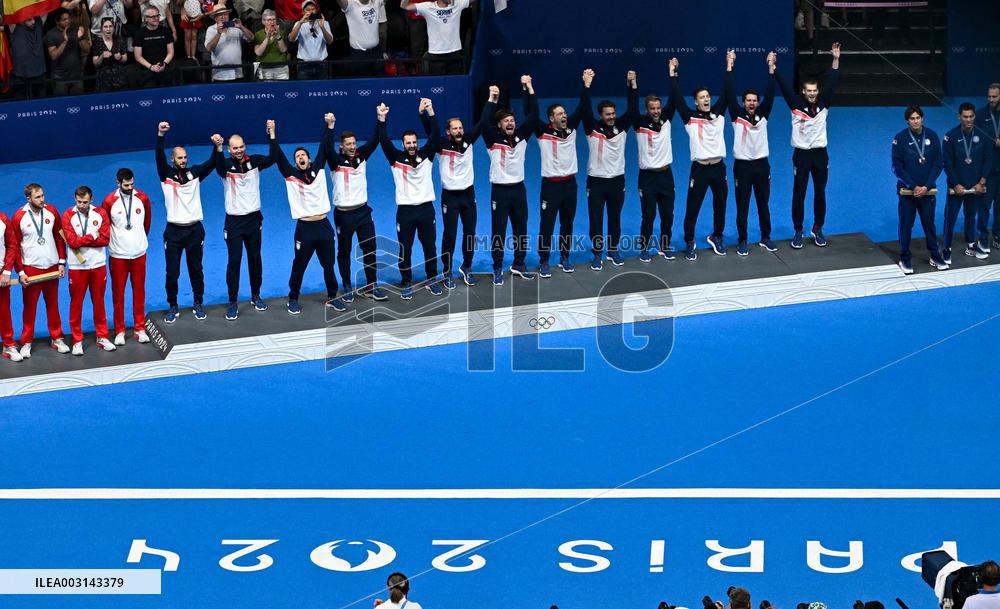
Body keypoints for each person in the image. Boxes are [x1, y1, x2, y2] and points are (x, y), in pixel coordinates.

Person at [268, 117, 348, 314]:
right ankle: (293, 298)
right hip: (304, 229)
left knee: (329, 265)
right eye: (297, 157)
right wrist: (272, 133)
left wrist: (330, 126)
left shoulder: (318, 169)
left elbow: (324, 146)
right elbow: (278, 156)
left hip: (324, 226)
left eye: (303, 155)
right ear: (295, 162)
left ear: (309, 159)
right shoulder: (290, 175)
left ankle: (332, 297)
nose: (300, 158)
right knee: (299, 265)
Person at [420, 89, 495, 286]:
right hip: (450, 197)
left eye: (461, 127)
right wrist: (426, 112)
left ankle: (466, 266)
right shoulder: (441, 145)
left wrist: (491, 99)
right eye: (455, 129)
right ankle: (447, 271)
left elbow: (482, 122)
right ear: (448, 132)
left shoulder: (469, 140)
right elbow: (431, 130)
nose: (459, 131)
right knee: (450, 234)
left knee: (470, 233)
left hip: (469, 195)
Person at [774, 43, 840, 248]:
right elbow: (784, 87)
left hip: (820, 154)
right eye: (808, 91)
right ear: (803, 91)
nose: (812, 93)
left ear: (818, 91)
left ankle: (818, 228)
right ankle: (798, 230)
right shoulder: (795, 103)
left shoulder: (824, 102)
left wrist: (835, 59)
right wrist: (774, 68)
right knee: (799, 193)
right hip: (801, 155)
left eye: (814, 91)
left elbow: (833, 81)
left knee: (820, 192)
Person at [155, 122, 222, 323]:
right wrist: (161, 135)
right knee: (172, 272)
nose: (183, 160)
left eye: (185, 157)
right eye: (179, 158)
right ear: (172, 159)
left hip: (194, 231)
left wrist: (217, 146)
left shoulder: (195, 173)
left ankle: (198, 303)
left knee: (196, 270)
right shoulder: (165, 174)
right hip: (173, 232)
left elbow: (212, 162)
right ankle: (173, 305)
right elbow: (158, 155)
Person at [377, 101, 443, 300]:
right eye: (408, 143)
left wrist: (430, 111)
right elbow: (383, 140)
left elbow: (436, 133)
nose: (412, 145)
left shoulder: (427, 155)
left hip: (426, 209)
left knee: (430, 246)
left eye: (414, 142)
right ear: (403, 144)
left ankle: (432, 279)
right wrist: (382, 118)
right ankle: (406, 281)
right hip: (405, 212)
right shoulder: (395, 158)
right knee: (405, 248)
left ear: (417, 143)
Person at [480, 75, 539, 285]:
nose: (510, 123)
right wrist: (491, 99)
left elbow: (533, 116)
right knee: (499, 230)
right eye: (506, 121)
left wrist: (529, 88)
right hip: (500, 192)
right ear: (499, 125)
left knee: (521, 228)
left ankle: (519, 264)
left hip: (519, 190)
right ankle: (497, 267)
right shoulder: (492, 139)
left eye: (512, 120)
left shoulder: (522, 136)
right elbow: (483, 122)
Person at [669, 56, 729, 260]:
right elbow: (677, 98)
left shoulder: (719, 113)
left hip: (719, 168)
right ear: (696, 102)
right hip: (700, 170)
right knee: (693, 207)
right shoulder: (690, 118)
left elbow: (727, 91)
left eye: (707, 96)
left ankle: (717, 236)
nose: (706, 99)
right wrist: (673, 74)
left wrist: (729, 66)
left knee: (721, 205)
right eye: (702, 97)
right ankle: (689, 241)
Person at [325, 111, 388, 301]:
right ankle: (346, 285)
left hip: (363, 212)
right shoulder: (335, 161)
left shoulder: (362, 156)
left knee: (370, 248)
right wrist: (330, 126)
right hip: (344, 215)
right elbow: (327, 148)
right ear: (342, 146)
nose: (352, 147)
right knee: (344, 251)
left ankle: (371, 285)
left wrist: (381, 119)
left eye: (354, 143)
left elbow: (375, 140)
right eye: (348, 144)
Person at [213, 131, 276, 320]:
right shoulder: (225, 165)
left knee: (255, 259)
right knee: (234, 261)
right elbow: (217, 166)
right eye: (235, 148)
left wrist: (272, 135)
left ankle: (256, 295)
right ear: (229, 149)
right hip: (234, 222)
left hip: (254, 220)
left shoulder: (254, 161)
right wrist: (217, 148)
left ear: (245, 146)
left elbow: (273, 157)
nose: (239, 150)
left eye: (241, 147)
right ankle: (233, 302)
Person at [579, 69, 637, 270]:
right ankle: (597, 253)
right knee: (596, 219)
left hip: (617, 181)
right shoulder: (592, 127)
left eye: (613, 113)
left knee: (615, 218)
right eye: (608, 114)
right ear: (600, 115)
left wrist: (631, 85)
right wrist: (586, 86)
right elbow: (585, 108)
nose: (612, 117)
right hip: (596, 182)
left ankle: (613, 250)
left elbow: (633, 108)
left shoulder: (622, 126)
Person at [725, 50, 777, 256]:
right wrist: (730, 66)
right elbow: (729, 92)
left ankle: (766, 237)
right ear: (743, 102)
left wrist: (771, 69)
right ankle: (743, 240)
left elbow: (771, 93)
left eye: (755, 100)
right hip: (743, 167)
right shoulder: (736, 115)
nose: (752, 103)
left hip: (762, 166)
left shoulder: (763, 114)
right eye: (748, 100)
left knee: (763, 203)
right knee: (743, 205)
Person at [10, 184, 70, 358]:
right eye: (37, 197)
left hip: (51, 267)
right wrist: (20, 272)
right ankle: (26, 342)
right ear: (28, 198)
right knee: (30, 307)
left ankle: (57, 338)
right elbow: (15, 247)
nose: (42, 199)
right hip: (31, 269)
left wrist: (61, 261)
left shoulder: (51, 211)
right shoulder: (19, 217)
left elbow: (59, 237)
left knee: (53, 305)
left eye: (43, 195)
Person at [628, 67, 677, 263]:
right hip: (647, 178)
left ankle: (665, 246)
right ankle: (644, 248)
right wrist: (632, 85)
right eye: (652, 108)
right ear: (647, 110)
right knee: (648, 215)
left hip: (666, 175)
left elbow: (674, 98)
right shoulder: (639, 123)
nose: (656, 111)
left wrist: (673, 75)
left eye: (658, 108)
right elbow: (632, 106)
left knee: (667, 215)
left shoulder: (666, 119)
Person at [891, 105, 947, 273]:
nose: (915, 121)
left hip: (927, 191)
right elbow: (897, 167)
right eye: (912, 118)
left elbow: (938, 164)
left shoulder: (932, 136)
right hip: (908, 192)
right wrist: (913, 186)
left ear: (922, 118)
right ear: (907, 121)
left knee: (929, 225)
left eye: (918, 118)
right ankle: (905, 258)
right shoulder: (900, 138)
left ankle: (935, 255)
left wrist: (927, 186)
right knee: (906, 225)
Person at [61, 186, 116, 355]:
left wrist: (82, 240)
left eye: (85, 202)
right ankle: (77, 340)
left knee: (99, 302)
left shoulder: (100, 213)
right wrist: (93, 236)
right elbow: (72, 242)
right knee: (76, 304)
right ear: (75, 199)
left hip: (98, 265)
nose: (82, 205)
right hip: (77, 267)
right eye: (79, 202)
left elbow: (105, 240)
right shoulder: (68, 215)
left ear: (91, 199)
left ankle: (102, 336)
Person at [101, 168, 152, 345]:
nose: (130, 188)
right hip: (118, 255)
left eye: (132, 184)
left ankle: (139, 328)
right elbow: (105, 227)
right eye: (126, 185)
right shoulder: (109, 201)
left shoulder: (142, 198)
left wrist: (139, 240)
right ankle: (120, 330)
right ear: (118, 183)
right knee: (118, 294)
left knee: (139, 291)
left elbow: (146, 224)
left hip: (139, 253)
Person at [942, 102, 992, 263]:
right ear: (959, 117)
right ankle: (946, 248)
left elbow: (988, 160)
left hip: (974, 185)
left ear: (974, 116)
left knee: (971, 215)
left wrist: (982, 182)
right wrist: (956, 183)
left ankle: (971, 245)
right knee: (950, 217)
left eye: (971, 116)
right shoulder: (950, 136)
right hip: (957, 186)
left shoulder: (983, 135)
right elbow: (947, 163)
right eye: (965, 116)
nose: (968, 120)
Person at [400, 0, 470, 75]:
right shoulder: (428, 7)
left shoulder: (457, 3)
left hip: (454, 54)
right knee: (437, 82)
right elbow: (404, 6)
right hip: (436, 55)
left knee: (454, 81)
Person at [976, 83, 1000, 251]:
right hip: (988, 171)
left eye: (994, 97)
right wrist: (993, 141)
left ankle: (998, 234)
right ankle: (983, 237)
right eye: (989, 96)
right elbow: (975, 140)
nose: (991, 99)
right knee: (984, 206)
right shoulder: (980, 115)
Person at [45, 8, 91, 96]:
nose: (67, 21)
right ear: (57, 21)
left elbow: (87, 50)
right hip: (60, 77)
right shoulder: (51, 34)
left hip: (77, 76)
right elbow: (53, 56)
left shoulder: (76, 30)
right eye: (64, 19)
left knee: (78, 101)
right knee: (61, 103)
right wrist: (64, 42)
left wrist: (80, 38)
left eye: (68, 18)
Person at [337, 0, 386, 76]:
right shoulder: (350, 4)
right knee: (361, 81)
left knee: (379, 80)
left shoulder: (376, 2)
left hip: (376, 52)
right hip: (359, 55)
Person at [205, 5, 253, 82]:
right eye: (220, 15)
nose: (223, 17)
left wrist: (241, 27)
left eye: (225, 14)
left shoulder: (236, 27)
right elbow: (209, 48)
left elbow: (251, 38)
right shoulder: (211, 29)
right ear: (215, 18)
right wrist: (218, 33)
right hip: (220, 75)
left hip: (238, 73)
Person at [133, 3, 175, 88]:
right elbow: (138, 56)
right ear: (145, 18)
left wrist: (164, 64)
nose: (156, 18)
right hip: (147, 71)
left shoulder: (166, 31)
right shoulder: (139, 34)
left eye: (157, 15)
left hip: (164, 68)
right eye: (152, 17)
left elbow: (171, 52)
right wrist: (151, 67)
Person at [290, 0, 333, 80]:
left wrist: (322, 27)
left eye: (313, 9)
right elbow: (291, 39)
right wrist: (300, 23)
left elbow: (330, 41)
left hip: (322, 64)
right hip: (304, 65)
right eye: (308, 9)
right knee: (304, 87)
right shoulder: (298, 24)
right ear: (303, 12)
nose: (311, 11)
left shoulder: (324, 23)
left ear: (316, 10)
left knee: (323, 87)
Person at [0, 210, 23, 362]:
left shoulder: (2, 219)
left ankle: (8, 345)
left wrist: (7, 271)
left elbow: (12, 245)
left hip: (1, 274)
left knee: (3, 311)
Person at [8, 16, 47, 99]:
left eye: (33, 19)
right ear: (22, 20)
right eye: (29, 20)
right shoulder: (14, 27)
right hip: (20, 75)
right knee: (20, 104)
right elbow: (9, 13)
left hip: (39, 74)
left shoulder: (38, 24)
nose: (33, 22)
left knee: (41, 103)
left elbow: (45, 9)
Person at [91, 16, 128, 91]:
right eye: (105, 27)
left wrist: (120, 57)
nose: (108, 29)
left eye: (110, 26)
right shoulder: (97, 42)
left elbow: (125, 58)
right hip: (103, 80)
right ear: (101, 29)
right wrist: (102, 56)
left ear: (114, 28)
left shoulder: (119, 40)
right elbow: (95, 63)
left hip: (119, 79)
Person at [254, 9, 290, 80]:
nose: (272, 22)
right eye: (269, 20)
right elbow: (258, 53)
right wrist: (267, 37)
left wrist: (278, 36)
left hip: (281, 68)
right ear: (263, 22)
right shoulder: (258, 34)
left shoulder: (282, 33)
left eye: (274, 19)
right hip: (264, 68)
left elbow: (283, 50)